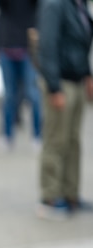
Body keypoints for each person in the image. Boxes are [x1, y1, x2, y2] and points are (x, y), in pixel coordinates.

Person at [36, 0, 93, 220]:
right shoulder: (54, 4)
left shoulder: (78, 4)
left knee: (73, 140)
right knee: (56, 139)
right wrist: (53, 87)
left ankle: (70, 193)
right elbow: (47, 46)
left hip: (76, 79)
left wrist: (87, 74)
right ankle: (50, 196)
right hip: (60, 82)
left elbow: (82, 42)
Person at [0, 0, 43, 152]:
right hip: (7, 46)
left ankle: (38, 135)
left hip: (28, 48)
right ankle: (7, 135)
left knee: (33, 94)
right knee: (8, 95)